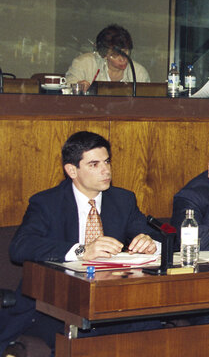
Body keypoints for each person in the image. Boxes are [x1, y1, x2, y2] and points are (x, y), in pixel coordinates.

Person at [2, 131, 160, 352]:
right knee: (80, 337)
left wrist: (148, 241)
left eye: (107, 161)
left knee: (152, 327)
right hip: (56, 303)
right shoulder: (47, 202)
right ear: (72, 170)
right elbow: (20, 247)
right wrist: (81, 250)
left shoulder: (123, 200)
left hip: (111, 301)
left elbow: (144, 233)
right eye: (94, 164)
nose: (106, 170)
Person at [65, 24, 151, 91]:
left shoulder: (139, 73)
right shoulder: (83, 64)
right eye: (115, 55)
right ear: (104, 54)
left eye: (125, 52)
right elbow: (67, 87)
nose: (122, 59)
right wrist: (78, 86)